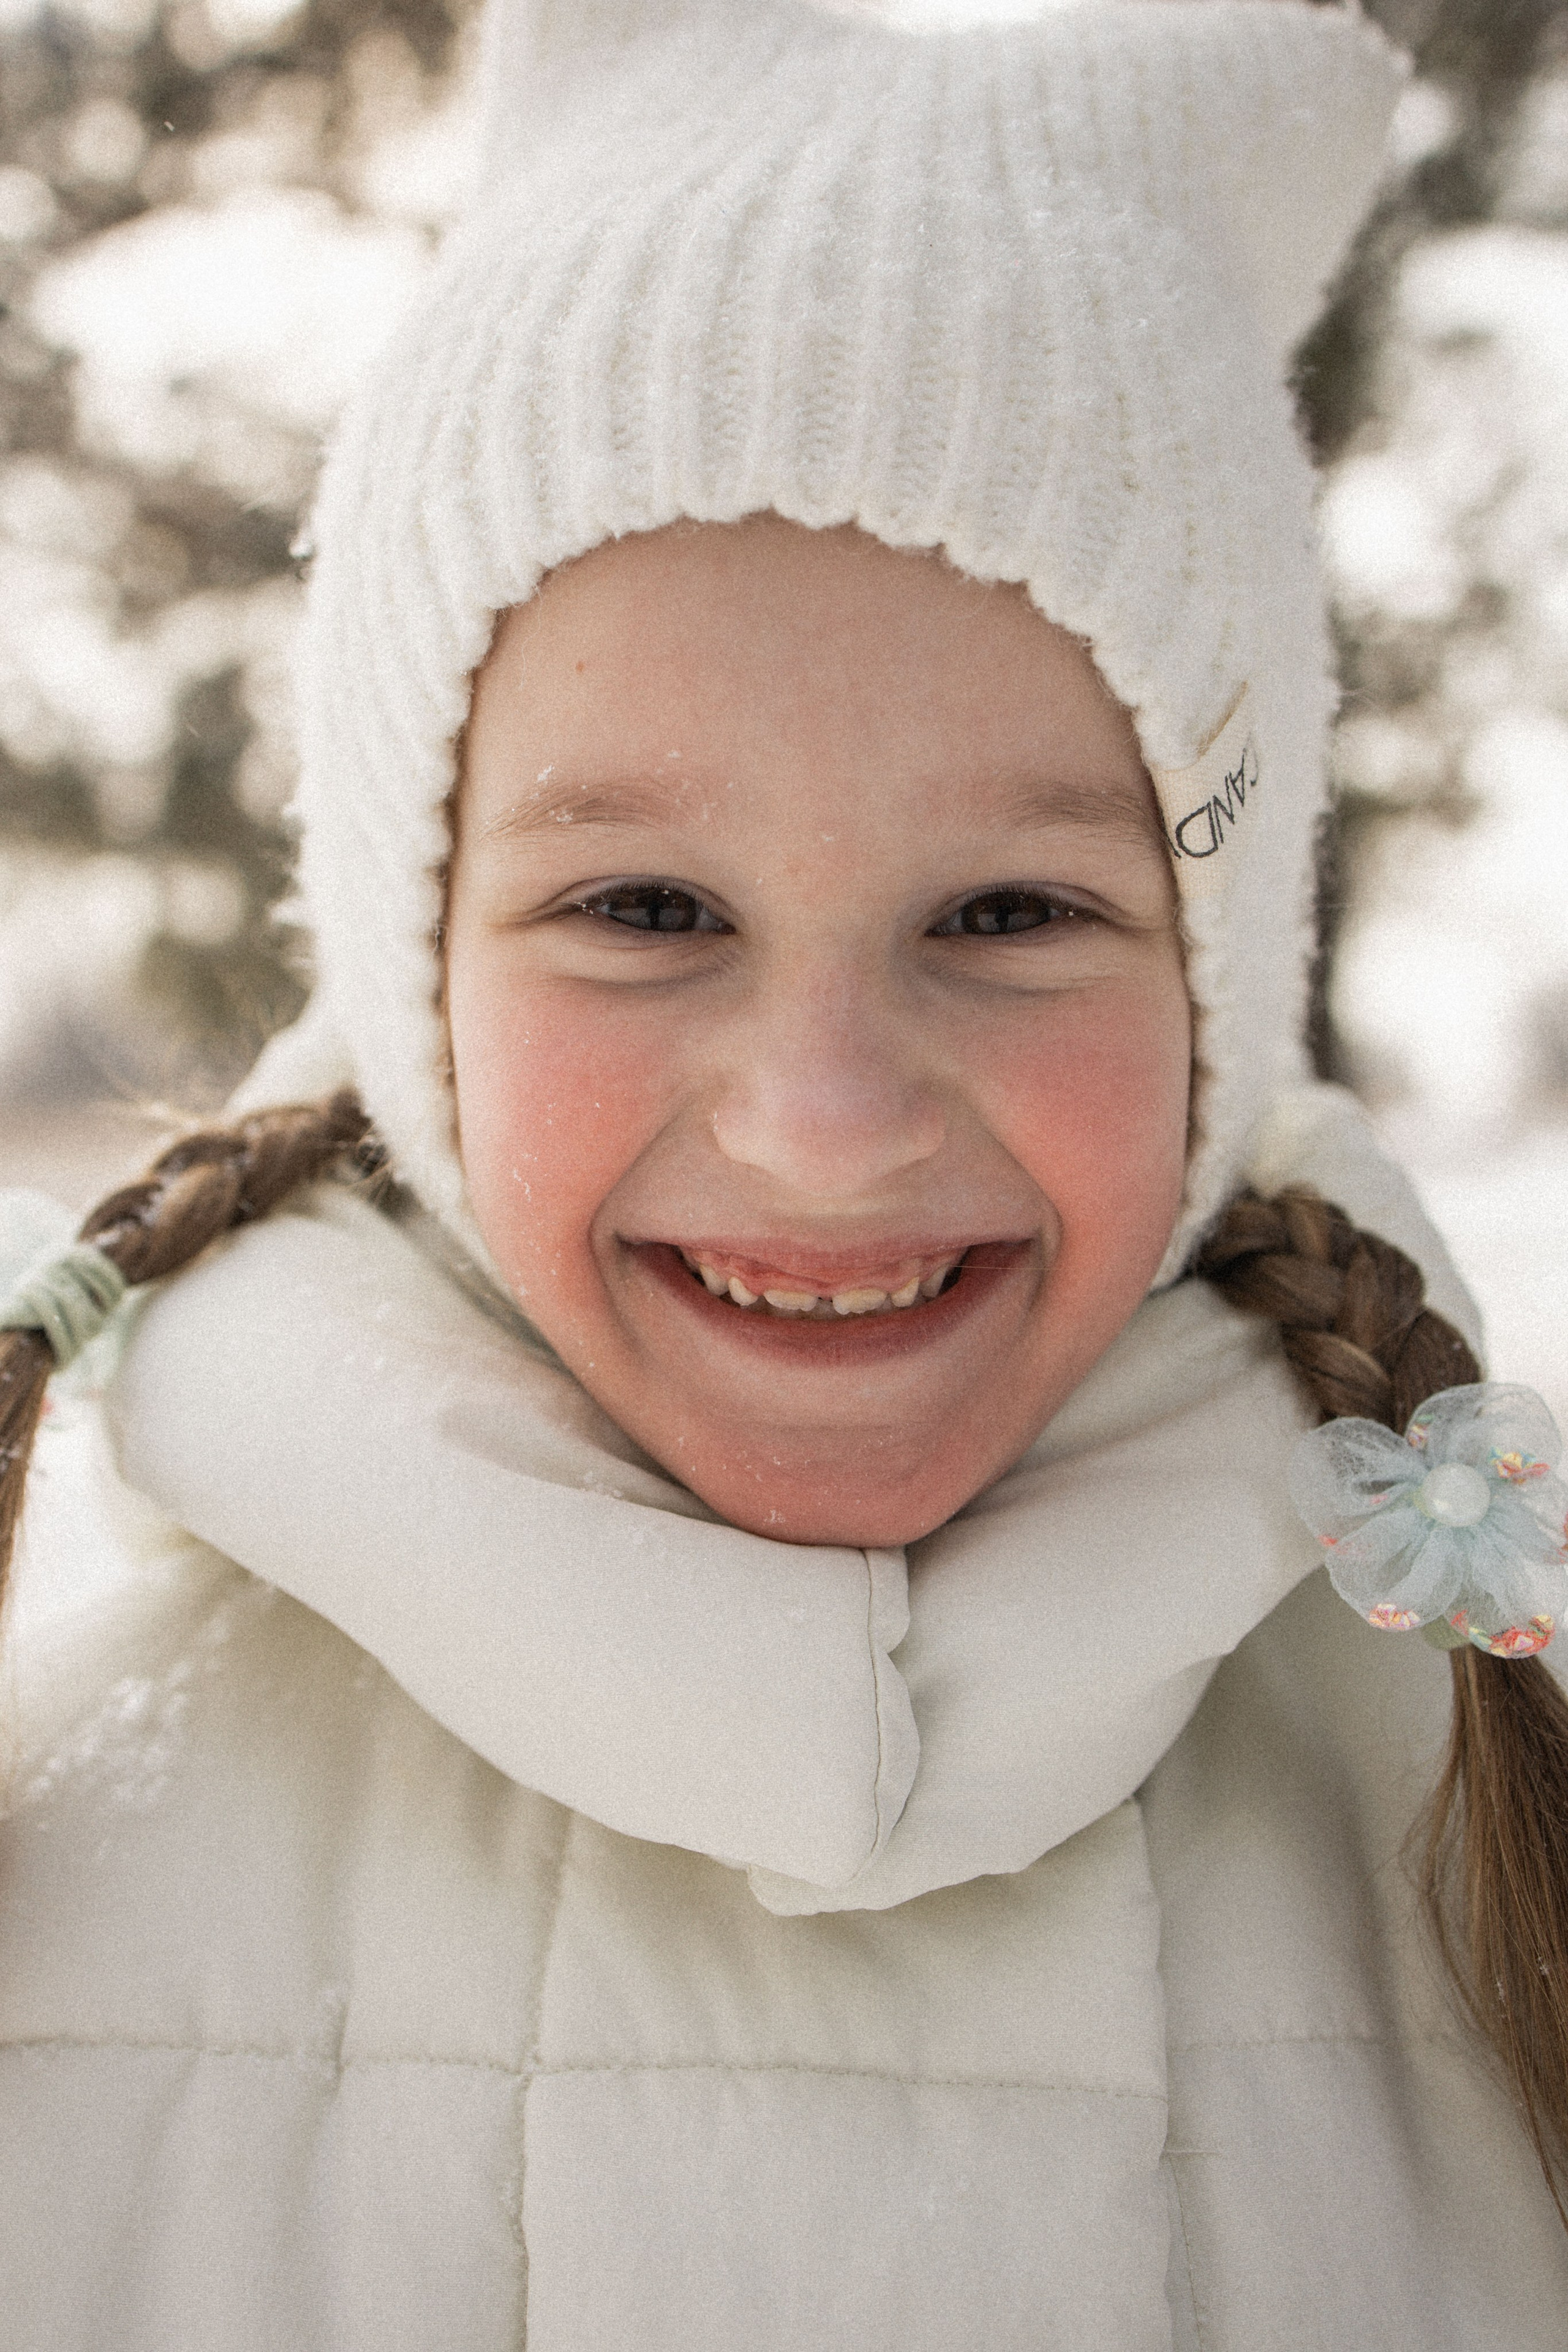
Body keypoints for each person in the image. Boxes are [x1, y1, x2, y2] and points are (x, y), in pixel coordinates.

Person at [2, 0, 1567, 2343]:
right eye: (646, 914)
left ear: (1222, 969)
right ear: (418, 962)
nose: (825, 1114)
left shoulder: (1488, 1832)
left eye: (1014, 915)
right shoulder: (70, 1845)